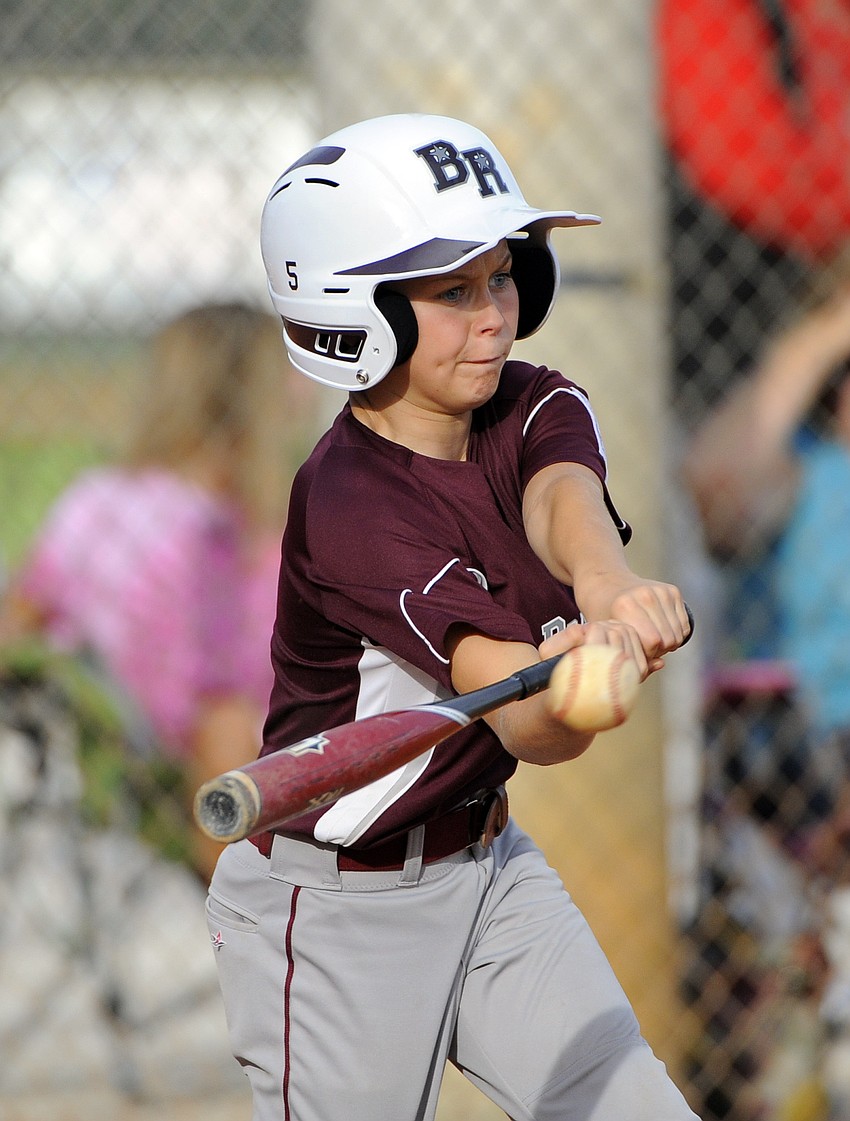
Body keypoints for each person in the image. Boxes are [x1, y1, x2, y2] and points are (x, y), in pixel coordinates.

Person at [206, 113, 696, 1120]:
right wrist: (582, 693)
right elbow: (522, 719)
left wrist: (605, 592)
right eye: (451, 289)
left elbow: (564, 498)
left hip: (489, 866)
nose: (494, 315)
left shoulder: (531, 401)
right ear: (355, 307)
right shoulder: (349, 502)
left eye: (502, 276)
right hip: (338, 905)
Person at [0, 301, 316, 877]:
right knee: (225, 720)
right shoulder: (256, 535)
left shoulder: (96, 503)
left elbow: (17, 621)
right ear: (248, 396)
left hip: (141, 773)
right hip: (220, 775)